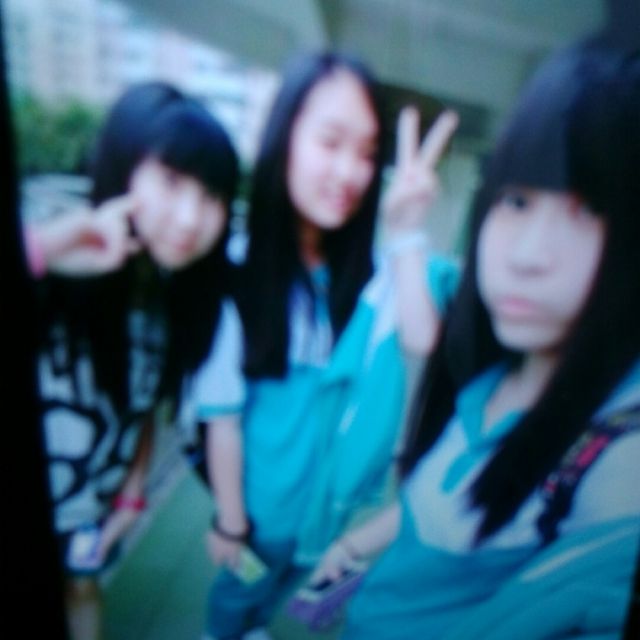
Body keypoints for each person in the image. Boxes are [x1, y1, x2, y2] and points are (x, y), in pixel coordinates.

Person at [310, 44, 640, 639]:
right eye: (517, 200)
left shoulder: (614, 450)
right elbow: (451, 494)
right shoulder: (493, 374)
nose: (528, 255)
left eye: (592, 210)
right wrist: (356, 544)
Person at [197, 50, 458, 640]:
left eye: (366, 154)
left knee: (280, 597)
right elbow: (222, 420)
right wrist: (230, 522)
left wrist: (407, 231)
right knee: (235, 599)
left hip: (325, 515)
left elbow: (422, 337)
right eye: (331, 142)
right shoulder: (236, 272)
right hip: (257, 518)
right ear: (284, 137)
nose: (350, 172)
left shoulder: (373, 275)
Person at [33, 81, 239, 640]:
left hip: (88, 512)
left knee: (83, 591)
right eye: (171, 181)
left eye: (212, 196)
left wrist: (132, 491)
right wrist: (46, 251)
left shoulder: (173, 302)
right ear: (125, 166)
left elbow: (145, 406)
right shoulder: (60, 267)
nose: (191, 218)